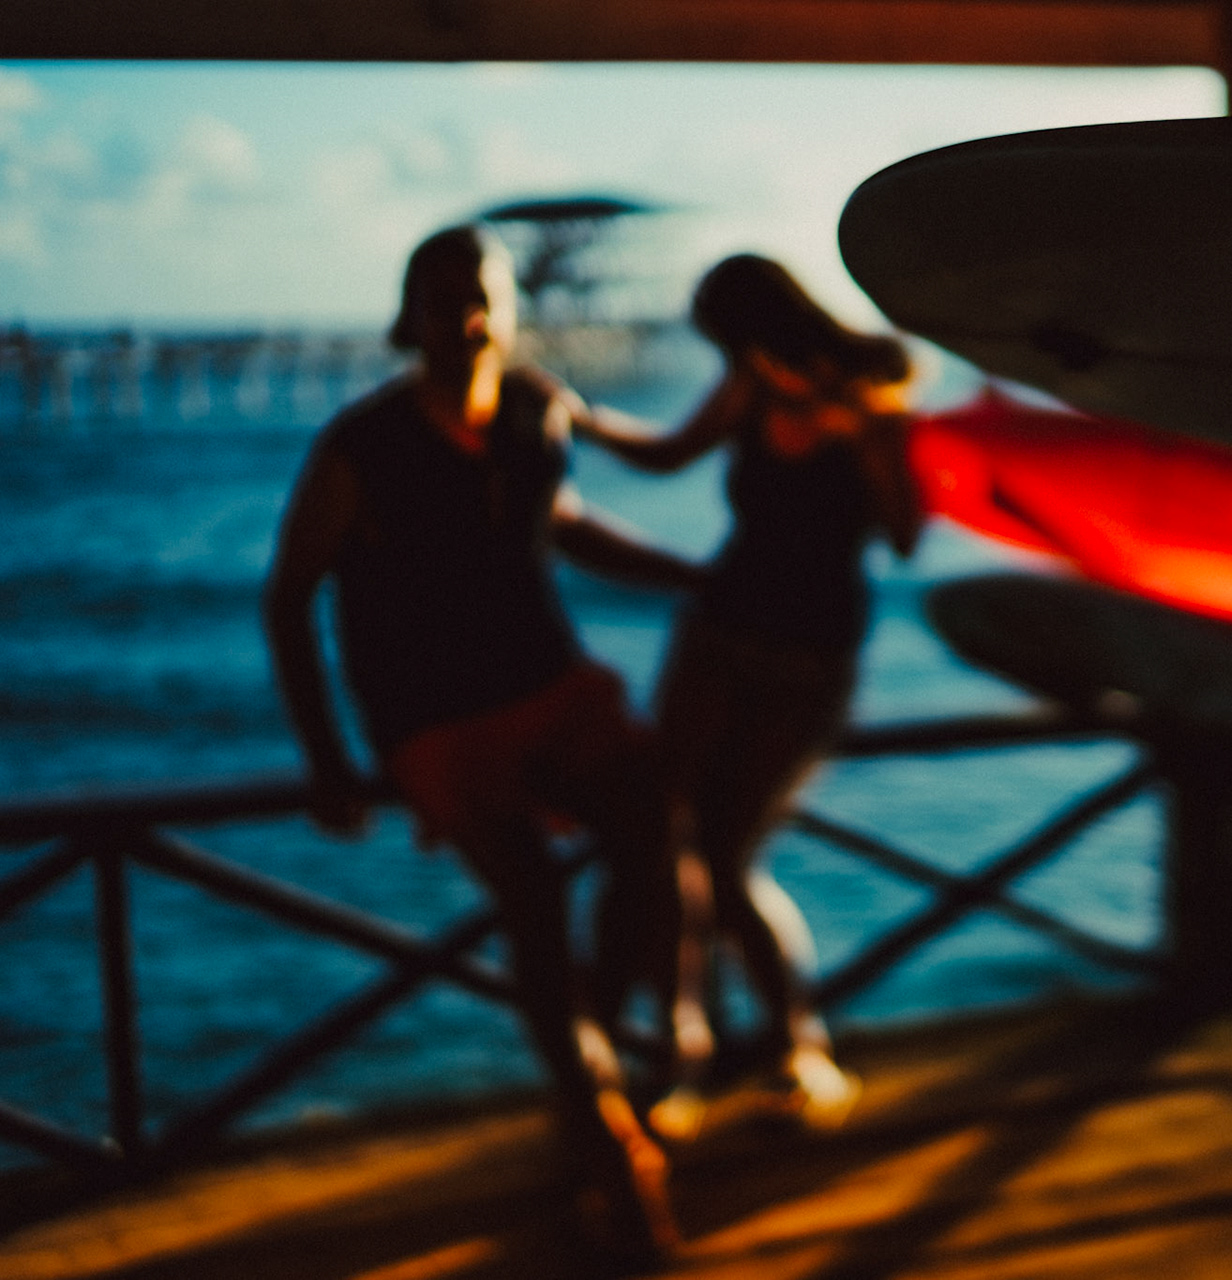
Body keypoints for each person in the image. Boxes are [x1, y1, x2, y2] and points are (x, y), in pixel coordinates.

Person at [263, 224, 699, 1264]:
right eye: (443, 296)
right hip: (434, 713)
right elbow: (288, 598)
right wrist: (327, 757)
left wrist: (701, 576)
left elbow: (570, 523)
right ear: (407, 318)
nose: (466, 315)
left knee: (657, 841)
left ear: (510, 310)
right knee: (536, 901)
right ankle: (605, 1135)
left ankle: (601, 1057)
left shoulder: (537, 410)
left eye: (484, 294)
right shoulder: (358, 447)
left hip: (546, 681)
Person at [574, 254, 924, 1139]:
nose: (733, 359)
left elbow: (906, 536)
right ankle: (684, 1048)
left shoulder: (872, 388)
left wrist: (864, 435)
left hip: (811, 658)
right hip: (718, 632)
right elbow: (665, 456)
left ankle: (795, 1046)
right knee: (663, 835)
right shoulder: (747, 390)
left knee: (726, 856)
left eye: (732, 340)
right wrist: (579, 420)